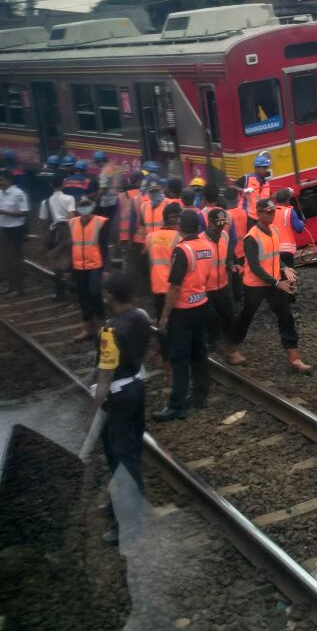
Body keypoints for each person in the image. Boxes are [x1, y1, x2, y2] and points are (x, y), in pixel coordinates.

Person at [89, 273, 151, 545]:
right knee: (131, 452)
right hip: (136, 388)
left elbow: (105, 374)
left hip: (118, 396)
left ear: (110, 296)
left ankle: (127, 524)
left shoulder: (110, 331)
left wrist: (95, 408)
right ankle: (121, 507)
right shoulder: (141, 316)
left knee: (122, 459)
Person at [226, 198, 311, 373]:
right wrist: (277, 282)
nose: (272, 215)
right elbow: (255, 267)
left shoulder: (274, 230)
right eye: (268, 212)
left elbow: (274, 255)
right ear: (259, 213)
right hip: (255, 285)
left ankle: (294, 359)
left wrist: (284, 267)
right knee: (246, 316)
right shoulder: (252, 237)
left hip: (273, 283)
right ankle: (232, 349)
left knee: (285, 315)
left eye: (273, 211)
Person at [153, 209, 211, 421]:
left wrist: (165, 315)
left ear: (180, 227)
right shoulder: (206, 245)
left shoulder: (182, 250)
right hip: (201, 304)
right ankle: (200, 396)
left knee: (179, 358)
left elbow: (175, 286)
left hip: (183, 310)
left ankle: (177, 406)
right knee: (199, 353)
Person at [145, 202, 181, 372]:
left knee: (162, 325)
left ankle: (167, 364)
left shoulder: (151, 237)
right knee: (177, 325)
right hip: (175, 289)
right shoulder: (179, 238)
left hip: (157, 288)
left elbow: (148, 259)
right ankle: (177, 358)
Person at [68, 195, 111, 341]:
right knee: (82, 296)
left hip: (95, 265)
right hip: (79, 265)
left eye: (87, 204)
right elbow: (71, 245)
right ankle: (88, 328)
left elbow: (105, 247)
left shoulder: (100, 222)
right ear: (78, 207)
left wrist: (106, 268)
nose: (84, 208)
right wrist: (70, 268)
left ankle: (102, 326)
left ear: (92, 206)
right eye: (82, 205)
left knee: (94, 293)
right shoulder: (72, 223)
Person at [39, 173, 76, 300]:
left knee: (58, 262)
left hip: (55, 233)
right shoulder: (69, 198)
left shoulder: (45, 202)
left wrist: (45, 239)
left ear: (51, 185)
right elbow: (71, 216)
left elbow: (44, 222)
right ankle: (75, 286)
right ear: (63, 183)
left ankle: (59, 293)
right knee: (72, 257)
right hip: (68, 230)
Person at [204, 206, 236, 349]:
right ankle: (211, 342)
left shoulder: (225, 237)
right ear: (209, 223)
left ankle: (229, 341)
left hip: (223, 285)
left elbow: (227, 259)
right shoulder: (201, 241)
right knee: (211, 318)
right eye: (218, 224)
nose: (221, 227)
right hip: (207, 288)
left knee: (230, 312)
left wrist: (232, 266)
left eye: (223, 224)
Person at [0, 168, 30, 296]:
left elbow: (24, 212)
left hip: (15, 230)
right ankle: (11, 286)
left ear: (9, 180)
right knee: (5, 259)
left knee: (16, 259)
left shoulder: (18, 194)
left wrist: (4, 212)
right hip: (3, 229)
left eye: (1, 180)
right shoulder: (0, 193)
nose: (0, 182)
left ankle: (19, 288)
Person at [224, 185, 249, 301]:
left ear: (225, 199)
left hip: (233, 254)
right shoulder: (245, 212)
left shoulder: (226, 217)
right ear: (237, 198)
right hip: (246, 251)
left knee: (236, 281)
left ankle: (239, 300)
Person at [94, 152, 119, 229]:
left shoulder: (103, 173)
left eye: (96, 162)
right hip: (115, 199)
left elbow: (103, 189)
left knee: (105, 224)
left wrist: (96, 200)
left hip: (107, 202)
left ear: (99, 161)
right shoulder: (113, 168)